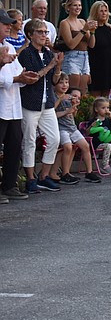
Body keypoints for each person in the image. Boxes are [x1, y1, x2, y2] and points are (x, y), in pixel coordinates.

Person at [19, 18, 64, 192]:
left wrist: (58, 67)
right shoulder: (26, 54)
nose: (45, 35)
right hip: (31, 102)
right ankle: (30, 178)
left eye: (46, 32)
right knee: (29, 140)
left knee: (54, 138)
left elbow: (54, 81)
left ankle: (44, 175)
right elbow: (32, 78)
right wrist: (50, 65)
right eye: (41, 32)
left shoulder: (47, 53)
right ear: (30, 35)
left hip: (47, 102)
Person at [0, 8, 36, 203]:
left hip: (13, 106)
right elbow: (4, 78)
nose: (9, 26)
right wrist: (16, 78)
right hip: (0, 107)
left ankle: (9, 185)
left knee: (14, 147)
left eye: (10, 23)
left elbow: (16, 74)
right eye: (5, 23)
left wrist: (25, 78)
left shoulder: (10, 47)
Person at [54, 79, 100, 183]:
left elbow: (72, 116)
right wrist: (66, 108)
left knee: (85, 146)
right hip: (61, 128)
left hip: (72, 128)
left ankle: (89, 172)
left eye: (66, 82)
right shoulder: (56, 98)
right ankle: (65, 173)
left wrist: (74, 107)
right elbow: (52, 113)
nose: (64, 85)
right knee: (68, 147)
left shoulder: (69, 101)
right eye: (61, 82)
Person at [59, 0, 97, 95]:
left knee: (83, 89)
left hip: (85, 56)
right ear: (68, 8)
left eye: (79, 5)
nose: (78, 8)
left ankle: (81, 110)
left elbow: (91, 45)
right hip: (72, 56)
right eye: (75, 5)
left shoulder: (82, 22)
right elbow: (71, 44)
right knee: (73, 88)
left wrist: (92, 32)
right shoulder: (65, 23)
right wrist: (84, 30)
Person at [87, 0, 111, 97]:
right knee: (96, 95)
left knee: (107, 95)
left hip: (108, 64)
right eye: (101, 11)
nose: (104, 13)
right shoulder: (89, 27)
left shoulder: (109, 27)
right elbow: (91, 45)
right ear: (95, 12)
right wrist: (92, 32)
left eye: (105, 11)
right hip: (95, 65)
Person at [88, 97, 111, 175]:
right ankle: (105, 165)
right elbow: (88, 132)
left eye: (108, 108)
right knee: (108, 146)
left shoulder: (108, 120)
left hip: (110, 141)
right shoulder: (94, 121)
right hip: (98, 144)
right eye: (103, 108)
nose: (106, 110)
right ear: (96, 109)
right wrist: (92, 126)